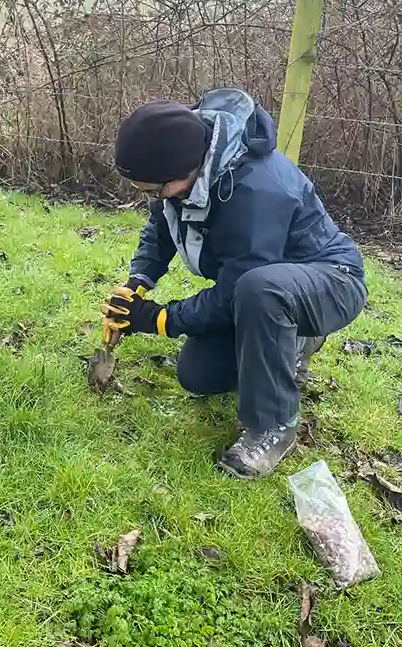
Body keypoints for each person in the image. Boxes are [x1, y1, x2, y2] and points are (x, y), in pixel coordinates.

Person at [100, 87, 367, 480]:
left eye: (154, 190)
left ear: (185, 170)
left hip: (329, 281)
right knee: (199, 375)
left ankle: (273, 427)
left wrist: (161, 320)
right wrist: (137, 281)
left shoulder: (256, 188)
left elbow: (234, 287)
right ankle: (284, 343)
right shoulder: (190, 163)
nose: (154, 198)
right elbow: (161, 225)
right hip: (258, 290)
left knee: (261, 290)